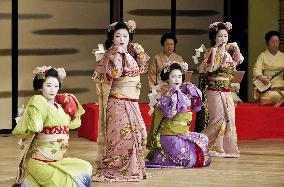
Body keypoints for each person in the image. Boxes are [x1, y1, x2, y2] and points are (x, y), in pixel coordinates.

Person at [12, 66, 92, 187]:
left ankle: (29, 183)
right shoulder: (37, 101)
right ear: (40, 87)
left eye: (56, 86)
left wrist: (68, 103)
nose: (52, 90)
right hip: (40, 163)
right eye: (48, 85)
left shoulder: (60, 106)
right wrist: (32, 111)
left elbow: (75, 123)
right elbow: (36, 126)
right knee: (70, 183)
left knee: (85, 167)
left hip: (56, 161)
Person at [92, 20, 150, 182]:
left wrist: (137, 53)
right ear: (113, 38)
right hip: (119, 101)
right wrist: (112, 56)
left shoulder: (126, 52)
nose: (122, 39)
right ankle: (118, 168)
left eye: (125, 35)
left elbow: (142, 69)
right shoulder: (115, 52)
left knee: (138, 135)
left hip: (130, 101)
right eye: (118, 36)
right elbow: (115, 74)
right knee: (124, 138)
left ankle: (131, 169)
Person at [146, 62, 211, 168]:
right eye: (173, 76)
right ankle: (164, 155)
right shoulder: (167, 97)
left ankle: (165, 155)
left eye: (179, 76)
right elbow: (170, 113)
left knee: (203, 141)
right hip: (169, 137)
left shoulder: (183, 93)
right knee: (191, 160)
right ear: (167, 78)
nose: (177, 80)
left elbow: (196, 106)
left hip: (183, 134)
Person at [197, 22, 244, 158]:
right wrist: (220, 53)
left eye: (225, 36)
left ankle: (223, 148)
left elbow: (237, 61)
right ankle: (201, 143)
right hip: (214, 90)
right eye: (219, 36)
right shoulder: (213, 52)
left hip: (226, 90)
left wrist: (236, 48)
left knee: (229, 119)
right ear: (214, 38)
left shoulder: (228, 54)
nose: (223, 39)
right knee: (217, 119)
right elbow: (210, 68)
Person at [253, 31, 284, 106]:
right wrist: (261, 78)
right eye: (272, 42)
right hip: (268, 85)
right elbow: (256, 69)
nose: (275, 44)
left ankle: (280, 100)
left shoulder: (283, 56)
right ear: (267, 43)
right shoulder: (262, 55)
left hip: (281, 84)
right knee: (267, 97)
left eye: (277, 42)